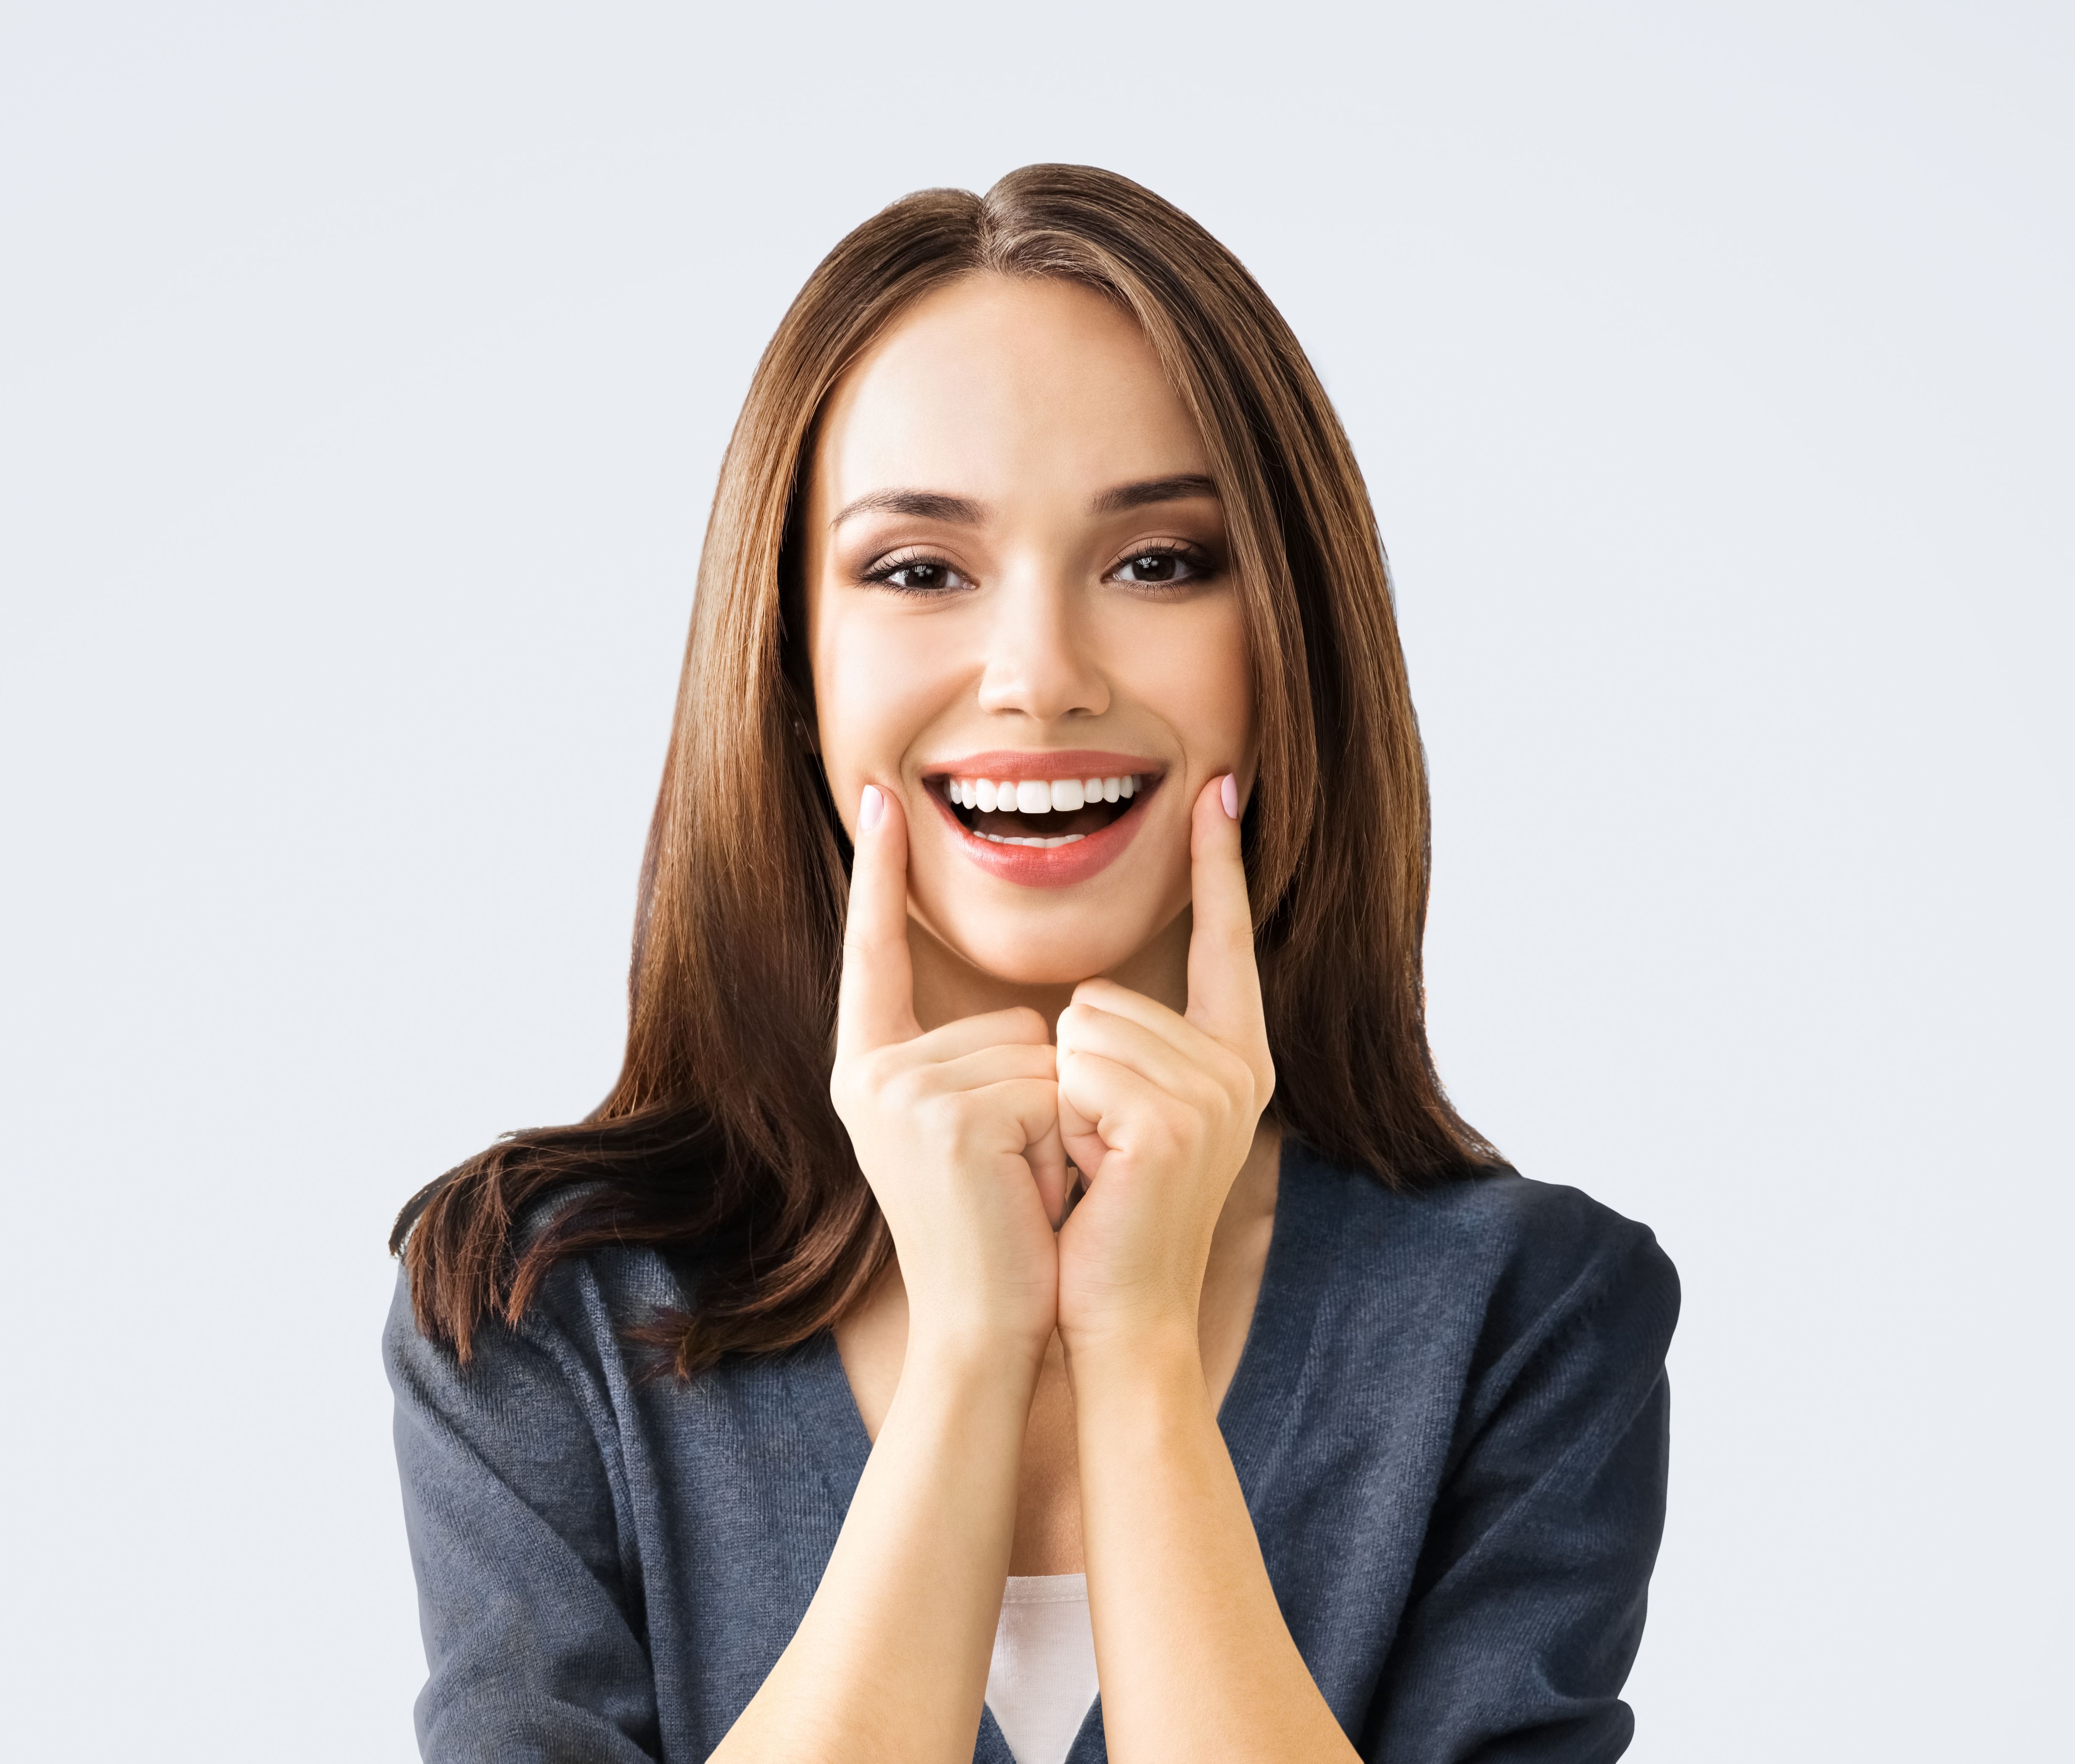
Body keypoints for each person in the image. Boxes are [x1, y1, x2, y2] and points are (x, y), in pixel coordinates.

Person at [382, 165, 1677, 1764]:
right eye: (920, 569)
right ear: (791, 661)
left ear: (1287, 646)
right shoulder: (536, 1307)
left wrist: (1134, 1354)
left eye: (1159, 563)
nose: (1040, 676)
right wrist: (972, 1354)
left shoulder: (1527, 1319)